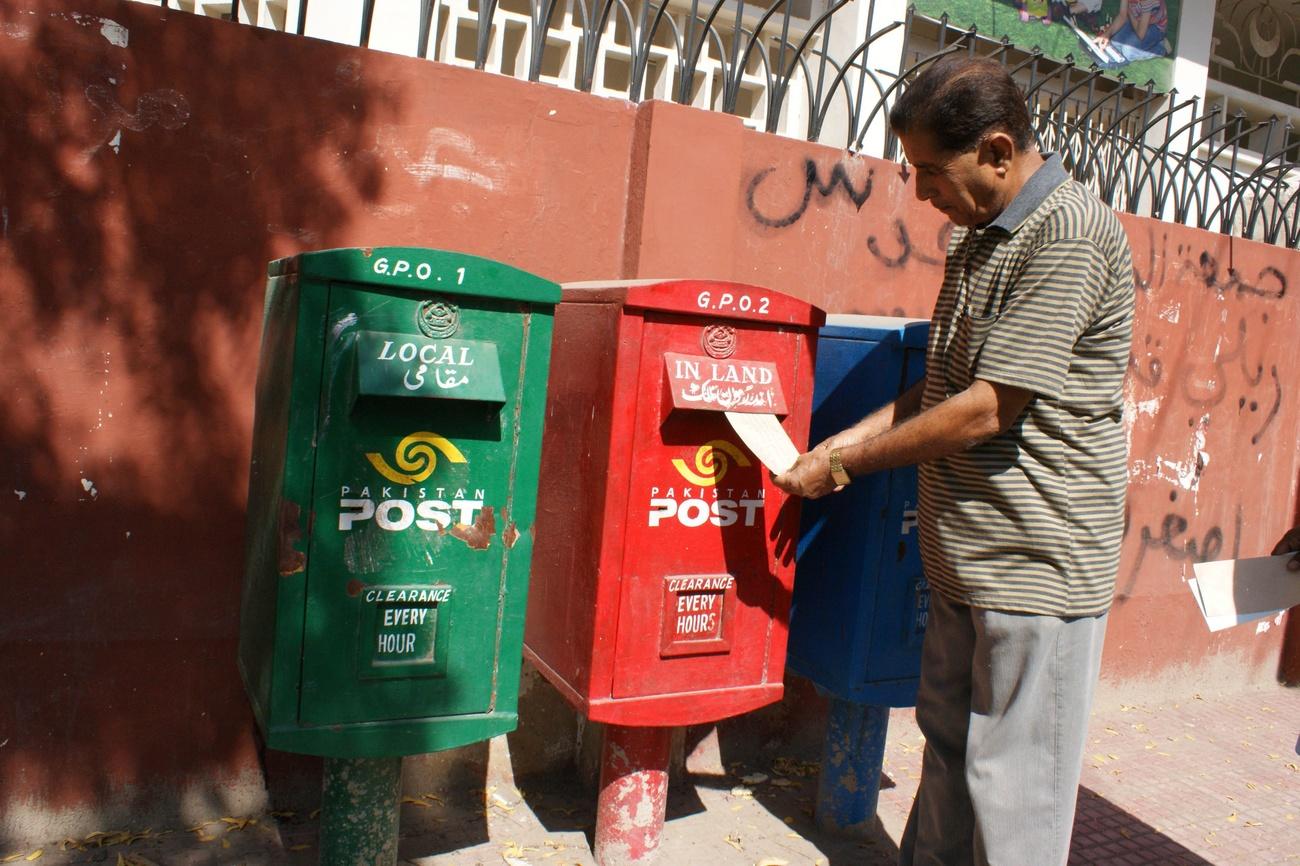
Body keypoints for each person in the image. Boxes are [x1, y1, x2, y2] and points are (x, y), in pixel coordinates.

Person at [772, 55, 1134, 866]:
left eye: (932, 172)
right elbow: (944, 384)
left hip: (1034, 566)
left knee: (1014, 796)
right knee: (948, 764)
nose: (922, 193)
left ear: (998, 152)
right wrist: (840, 442)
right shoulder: (980, 233)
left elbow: (987, 408)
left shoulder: (1068, 231)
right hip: (965, 558)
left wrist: (847, 468)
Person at [1095, 0, 1169, 63]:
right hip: (1137, 18)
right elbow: (1122, 15)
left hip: (1155, 27)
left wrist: (1130, 13)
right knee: (1115, 43)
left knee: (1128, 52)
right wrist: (1106, 35)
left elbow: (1140, 34)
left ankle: (1161, 49)